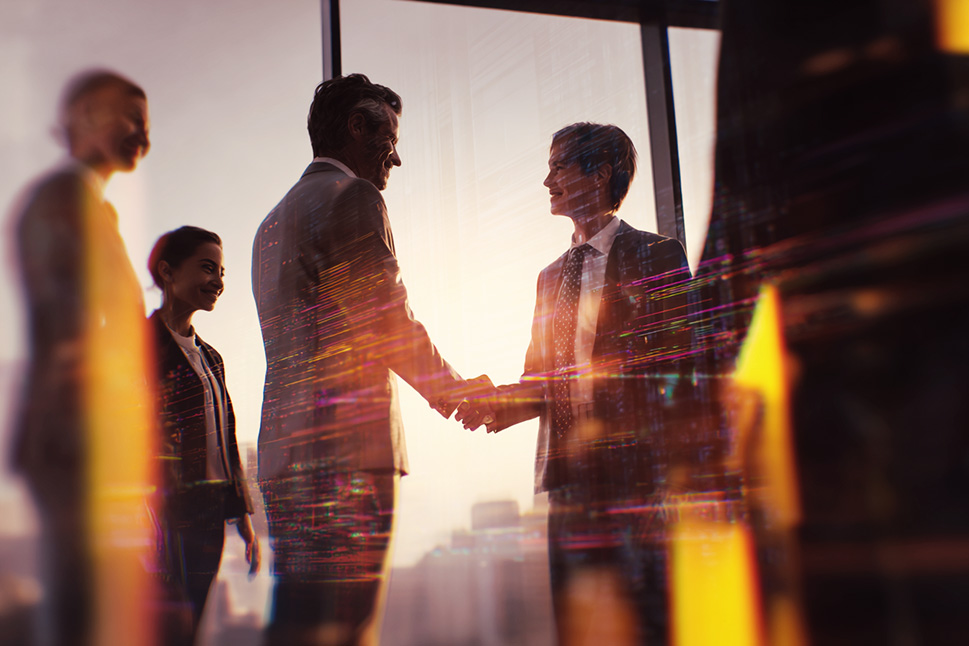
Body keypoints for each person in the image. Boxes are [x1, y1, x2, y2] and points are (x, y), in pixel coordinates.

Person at [251, 73, 491, 646]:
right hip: (346, 454)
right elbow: (385, 318)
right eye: (391, 139)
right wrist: (457, 391)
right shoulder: (353, 197)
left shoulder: (270, 222)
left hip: (284, 456)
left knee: (300, 624)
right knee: (345, 625)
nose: (397, 158)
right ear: (358, 127)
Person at [458, 123, 692, 646]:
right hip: (567, 480)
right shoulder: (549, 278)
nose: (547, 181)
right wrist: (492, 401)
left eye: (558, 167)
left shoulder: (657, 255)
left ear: (600, 173)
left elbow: (683, 369)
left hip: (637, 479)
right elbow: (540, 381)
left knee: (647, 624)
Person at [11, 69, 154, 646]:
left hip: (83, 438)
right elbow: (72, 324)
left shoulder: (87, 204)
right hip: (75, 440)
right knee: (81, 612)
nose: (144, 137)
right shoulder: (64, 199)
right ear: (88, 116)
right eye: (133, 118)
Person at [147, 226, 260, 645]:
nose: (218, 281)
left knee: (190, 624)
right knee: (165, 626)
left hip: (209, 514)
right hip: (165, 514)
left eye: (222, 272)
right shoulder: (138, 345)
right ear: (168, 272)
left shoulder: (211, 357)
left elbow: (225, 439)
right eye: (208, 268)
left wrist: (241, 515)